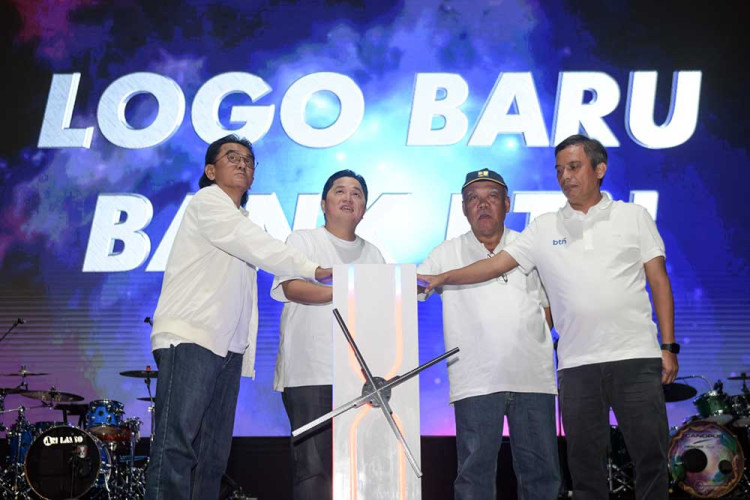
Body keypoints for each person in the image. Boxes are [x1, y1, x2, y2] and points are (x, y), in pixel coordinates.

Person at [419, 135, 678, 500]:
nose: (565, 177)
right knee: (583, 468)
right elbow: (494, 265)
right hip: (572, 367)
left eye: (573, 167)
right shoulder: (544, 228)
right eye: (559, 170)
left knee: (648, 458)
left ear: (599, 169)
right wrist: (442, 277)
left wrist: (668, 346)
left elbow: (658, 280)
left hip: (627, 357)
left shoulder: (633, 216)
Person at [146, 134, 331, 500]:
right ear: (210, 170)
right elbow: (258, 246)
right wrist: (313, 268)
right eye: (232, 157)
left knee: (212, 458)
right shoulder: (207, 202)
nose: (243, 163)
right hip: (192, 339)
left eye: (248, 159)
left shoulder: (239, 220)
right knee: (176, 447)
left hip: (227, 349)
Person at [418, 169, 561, 499]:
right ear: (464, 209)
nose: (482, 204)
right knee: (474, 477)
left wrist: (528, 341)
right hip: (476, 380)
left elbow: (550, 306)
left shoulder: (529, 246)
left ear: (507, 204)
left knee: (542, 475)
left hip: (532, 379)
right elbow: (417, 286)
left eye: (492, 197)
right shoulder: (446, 253)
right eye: (473, 198)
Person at [270, 170, 385, 500]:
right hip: (310, 374)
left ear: (364, 209)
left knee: (361, 471)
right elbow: (292, 288)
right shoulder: (302, 241)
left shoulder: (374, 255)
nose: (349, 198)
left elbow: (381, 310)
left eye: (357, 193)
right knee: (313, 471)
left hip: (360, 378)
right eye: (340, 191)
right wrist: (349, 290)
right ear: (323, 203)